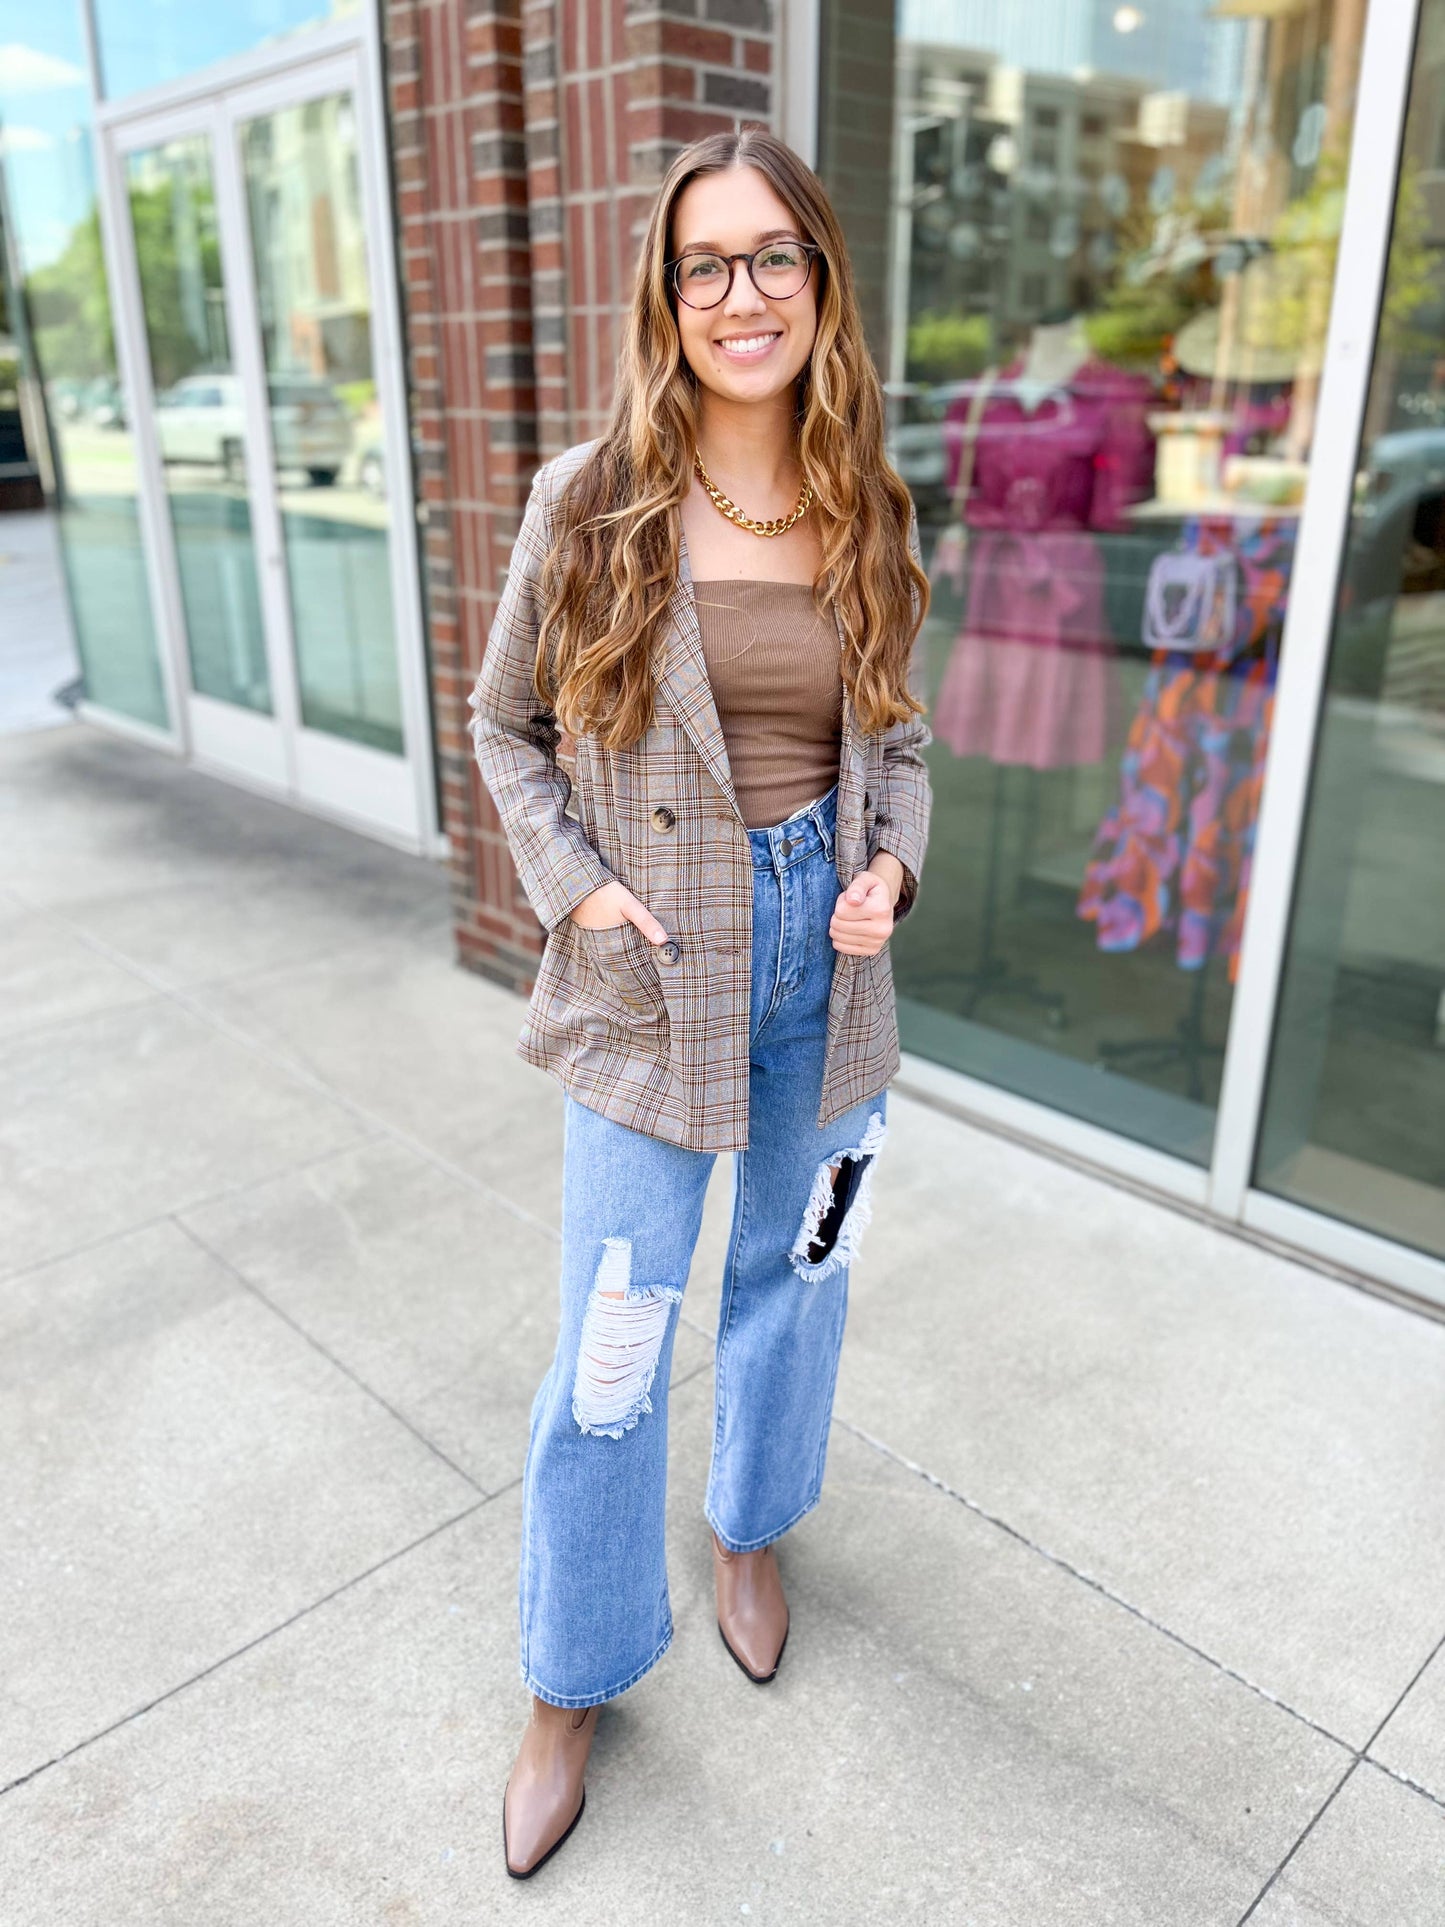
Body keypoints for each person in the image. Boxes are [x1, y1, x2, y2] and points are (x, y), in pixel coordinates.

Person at [469, 124, 932, 1879]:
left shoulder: (868, 498)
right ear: (667, 298)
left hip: (831, 960)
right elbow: (506, 727)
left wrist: (887, 864)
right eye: (704, 265)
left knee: (796, 1276)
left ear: (819, 277)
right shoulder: (590, 500)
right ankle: (567, 1677)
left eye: (772, 259)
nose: (742, 295)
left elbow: (896, 739)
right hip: (647, 964)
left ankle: (750, 1525)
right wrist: (577, 885)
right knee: (610, 1346)